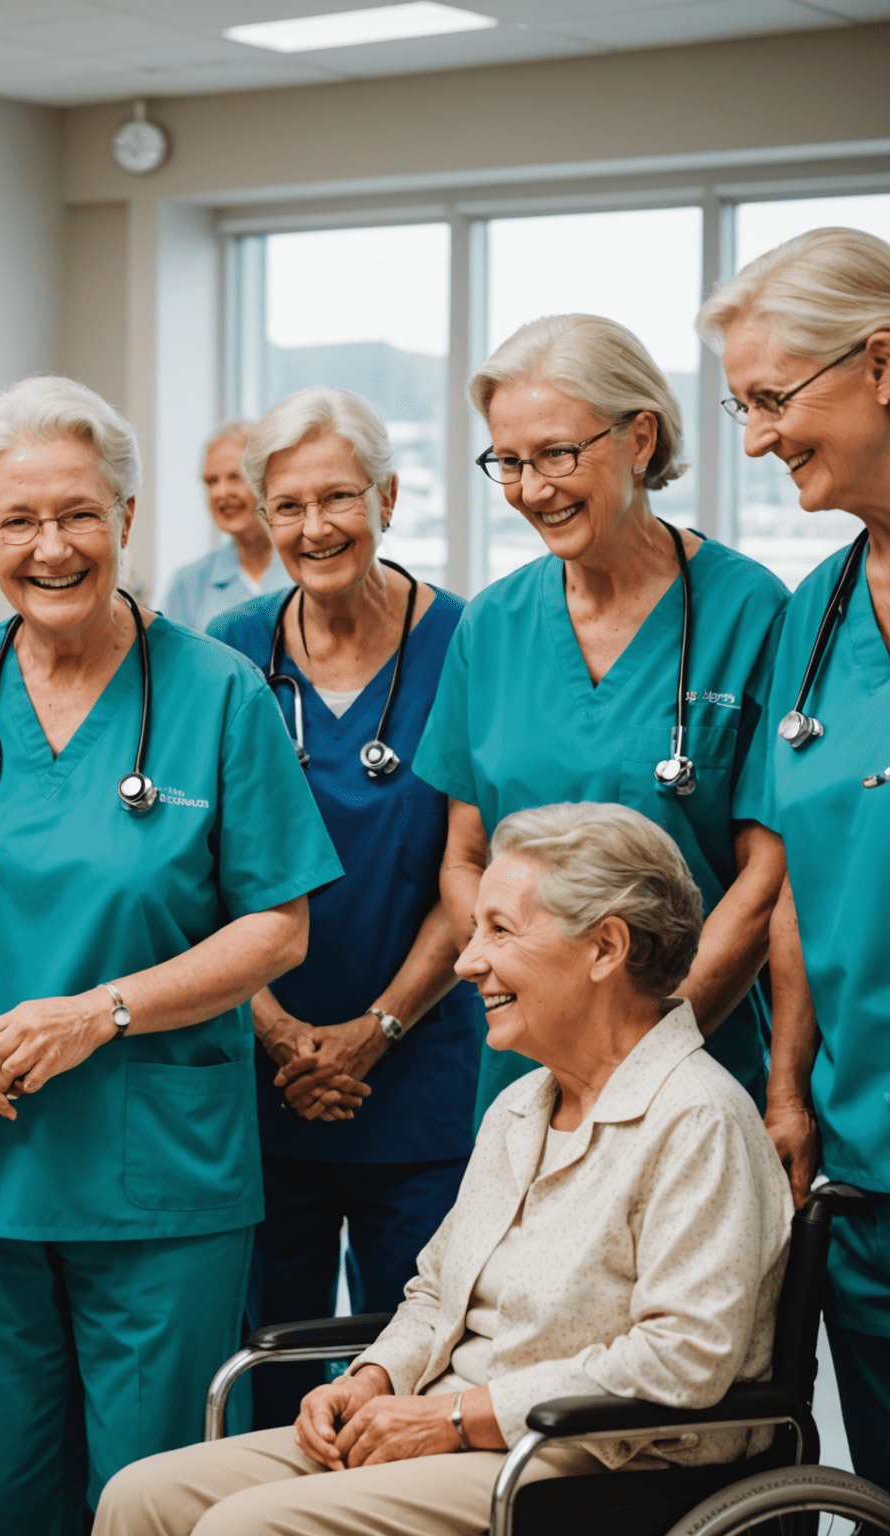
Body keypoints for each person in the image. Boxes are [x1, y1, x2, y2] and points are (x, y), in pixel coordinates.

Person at [0, 375, 344, 1536]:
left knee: (149, 1495)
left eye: (78, 515)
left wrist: (98, 1013)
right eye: (19, 521)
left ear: (125, 518)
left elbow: (280, 924)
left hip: (157, 1176)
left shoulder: (217, 693)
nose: (50, 547)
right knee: (6, 1497)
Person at [95, 801, 794, 1536]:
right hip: (458, 1420)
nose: (467, 963)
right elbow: (437, 1292)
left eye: (499, 930)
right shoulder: (524, 1105)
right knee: (144, 1496)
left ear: (605, 947)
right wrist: (374, 1377)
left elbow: (682, 1361)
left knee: (246, 1529)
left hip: (601, 1455)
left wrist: (455, 1416)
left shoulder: (698, 1118)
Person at [417, 314, 788, 1126]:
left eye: (555, 453)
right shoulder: (493, 625)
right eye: (508, 463)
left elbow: (766, 872)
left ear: (640, 437)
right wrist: (512, 989)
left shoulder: (750, 610)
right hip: (526, 1075)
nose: (531, 488)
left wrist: (644, 1052)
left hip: (695, 1064)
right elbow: (465, 855)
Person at [208, 387, 484, 1430]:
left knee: (409, 1363)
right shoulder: (228, 649)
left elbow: (477, 868)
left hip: (416, 1078)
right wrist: (278, 1034)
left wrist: (374, 1034)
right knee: (267, 1362)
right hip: (261, 1073)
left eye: (339, 498)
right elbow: (199, 872)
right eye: (287, 506)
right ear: (258, 515)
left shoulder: (466, 640)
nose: (315, 527)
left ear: (389, 495)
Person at [697, 225, 890, 1487]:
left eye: (773, 400)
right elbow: (794, 892)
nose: (758, 439)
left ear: (882, 363)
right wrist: (786, 1093)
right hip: (868, 1172)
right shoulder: (815, 615)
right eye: (742, 409)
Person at [162, 418, 292, 631]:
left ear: (267, 479)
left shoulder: (307, 566)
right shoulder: (188, 585)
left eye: (235, 477)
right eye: (211, 481)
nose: (221, 493)